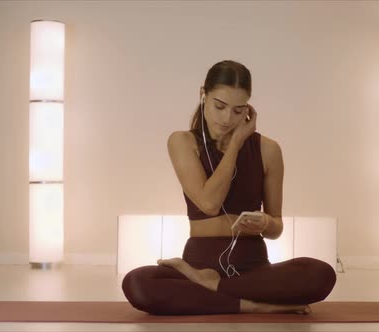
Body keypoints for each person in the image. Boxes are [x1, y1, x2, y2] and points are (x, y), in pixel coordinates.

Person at [122, 60, 336, 315]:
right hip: (198, 264)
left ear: (248, 108)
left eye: (238, 110)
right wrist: (236, 143)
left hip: (253, 268)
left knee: (320, 274)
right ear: (203, 95)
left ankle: (214, 289)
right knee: (137, 283)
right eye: (219, 106)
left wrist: (265, 223)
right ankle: (253, 305)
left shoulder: (268, 150)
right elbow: (209, 204)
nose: (227, 118)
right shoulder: (182, 142)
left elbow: (276, 227)